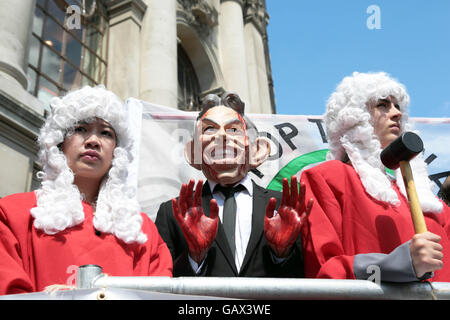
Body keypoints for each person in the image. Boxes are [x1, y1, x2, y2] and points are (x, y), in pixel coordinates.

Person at [0, 85, 172, 295]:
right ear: (60, 143)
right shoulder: (12, 213)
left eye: (106, 133)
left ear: (117, 152)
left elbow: (160, 296)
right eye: (80, 129)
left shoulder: (142, 231)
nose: (93, 141)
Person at [300, 71, 450, 282]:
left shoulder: (431, 203)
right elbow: (324, 271)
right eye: (383, 105)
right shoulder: (327, 179)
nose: (396, 113)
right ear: (355, 117)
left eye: (397, 106)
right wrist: (393, 266)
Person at [155, 92, 312, 277]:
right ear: (193, 153)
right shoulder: (173, 212)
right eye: (209, 130)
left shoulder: (286, 208)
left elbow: (311, 280)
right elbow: (159, 284)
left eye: (234, 130)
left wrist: (282, 254)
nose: (221, 136)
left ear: (257, 151)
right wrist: (195, 257)